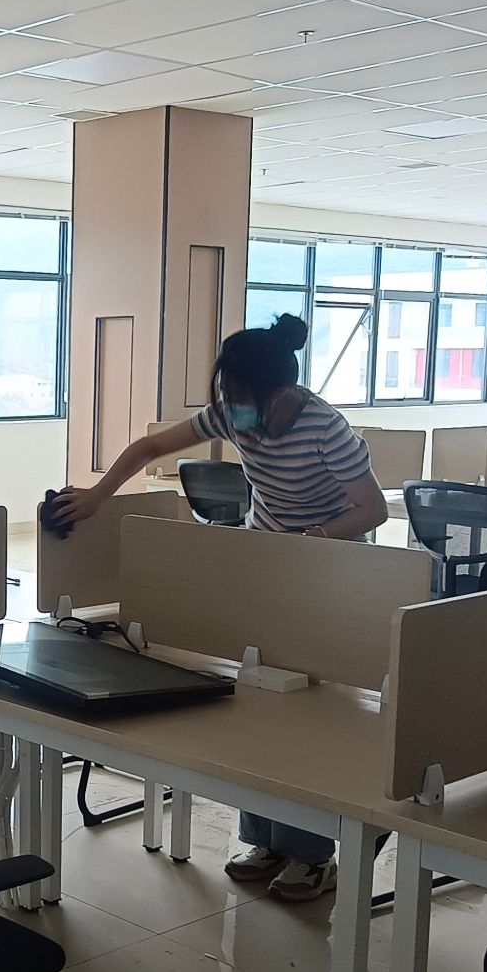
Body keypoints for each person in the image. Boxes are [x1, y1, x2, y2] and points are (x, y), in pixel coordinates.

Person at [54, 313, 387, 902]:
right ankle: (265, 840)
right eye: (225, 396)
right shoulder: (234, 415)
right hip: (266, 567)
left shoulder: (324, 428)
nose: (230, 411)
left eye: (238, 397)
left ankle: (313, 854)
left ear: (280, 392)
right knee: (257, 707)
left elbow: (372, 510)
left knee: (304, 719)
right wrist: (99, 495)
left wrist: (309, 542)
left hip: (329, 575)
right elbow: (151, 446)